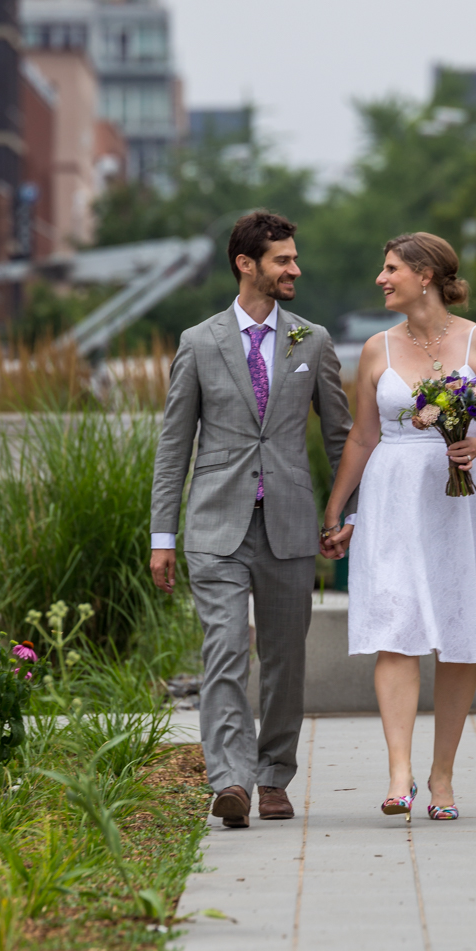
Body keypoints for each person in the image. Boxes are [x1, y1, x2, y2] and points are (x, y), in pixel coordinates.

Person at [150, 210, 355, 828]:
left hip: (292, 524)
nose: (295, 268)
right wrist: (164, 536)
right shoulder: (198, 341)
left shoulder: (311, 340)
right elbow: (173, 445)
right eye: (283, 259)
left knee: (286, 658)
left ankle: (273, 776)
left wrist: (348, 515)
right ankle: (231, 780)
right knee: (224, 652)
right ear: (247, 265)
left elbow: (343, 438)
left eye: (294, 258)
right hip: (216, 524)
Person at [320, 232, 476, 822]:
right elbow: (363, 437)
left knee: (458, 633)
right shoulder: (375, 350)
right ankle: (399, 775)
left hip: (462, 500)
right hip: (393, 500)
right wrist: (338, 508)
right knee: (395, 624)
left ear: (427, 275)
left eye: (391, 269)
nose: (382, 279)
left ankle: (443, 779)